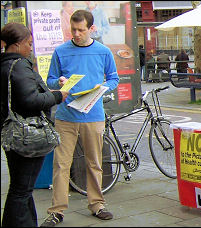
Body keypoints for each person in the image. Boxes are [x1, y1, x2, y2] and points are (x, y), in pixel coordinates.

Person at [40, 10, 119, 227]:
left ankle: (97, 204)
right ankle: (57, 210)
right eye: (73, 29)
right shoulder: (61, 51)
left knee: (94, 162)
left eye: (80, 30)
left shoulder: (103, 51)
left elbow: (113, 78)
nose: (75, 34)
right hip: (66, 116)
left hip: (93, 114)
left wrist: (102, 88)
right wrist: (60, 82)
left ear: (91, 29)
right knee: (61, 164)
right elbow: (51, 80)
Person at [1, 22, 68, 227]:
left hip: (12, 132)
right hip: (27, 134)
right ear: (18, 44)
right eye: (28, 43)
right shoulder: (19, 65)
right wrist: (57, 96)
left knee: (21, 187)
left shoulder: (4, 64)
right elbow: (31, 100)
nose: (31, 47)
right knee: (21, 191)